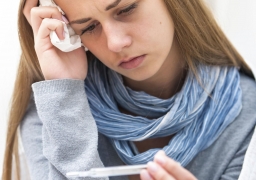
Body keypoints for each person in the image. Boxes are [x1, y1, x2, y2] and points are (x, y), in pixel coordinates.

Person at [2, 0, 256, 179]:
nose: (115, 42)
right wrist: (66, 94)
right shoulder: (56, 112)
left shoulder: (248, 117)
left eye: (126, 9)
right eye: (89, 27)